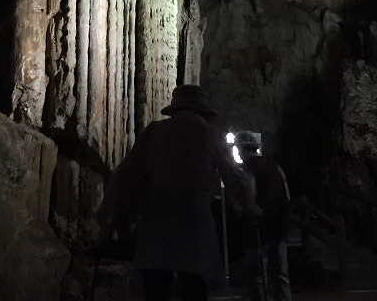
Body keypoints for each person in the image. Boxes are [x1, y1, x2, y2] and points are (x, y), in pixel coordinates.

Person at [96, 84, 260, 301]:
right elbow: (232, 176)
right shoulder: (209, 134)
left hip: (158, 215)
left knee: (156, 286)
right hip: (194, 216)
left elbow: (126, 172)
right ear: (202, 110)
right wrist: (250, 206)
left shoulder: (153, 131)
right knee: (194, 284)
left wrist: (107, 208)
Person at [234, 130, 292, 301]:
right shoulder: (276, 167)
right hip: (278, 226)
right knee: (280, 274)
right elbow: (286, 196)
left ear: (242, 150)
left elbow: (245, 200)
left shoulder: (246, 170)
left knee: (257, 276)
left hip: (256, 228)